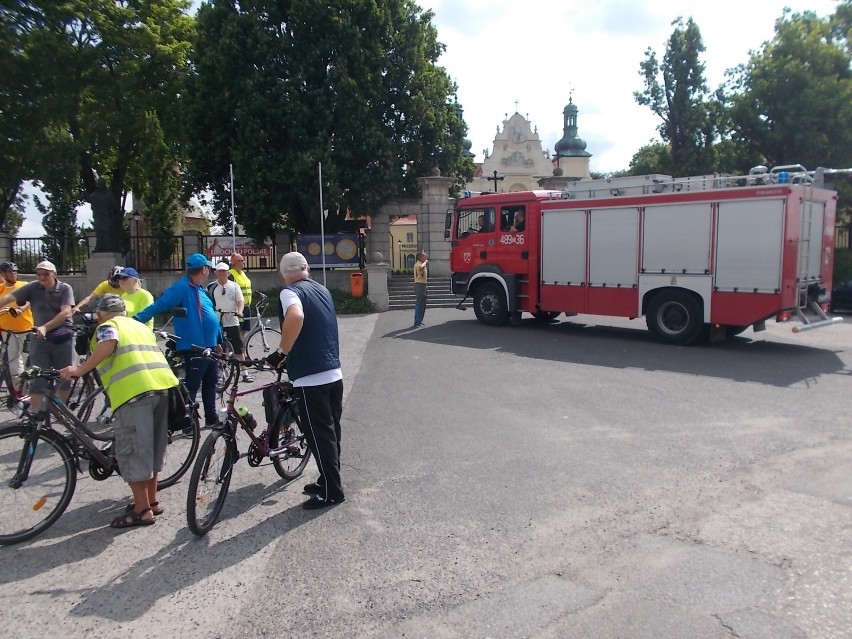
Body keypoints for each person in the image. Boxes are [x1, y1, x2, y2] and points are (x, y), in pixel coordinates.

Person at [59, 294, 178, 528]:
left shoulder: (108, 327)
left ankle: (142, 511)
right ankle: (152, 501)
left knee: (133, 450)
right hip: (162, 388)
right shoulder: (138, 326)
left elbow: (108, 343)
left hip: (134, 394)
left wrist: (79, 370)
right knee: (152, 448)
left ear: (101, 314)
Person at [266, 252, 344, 510]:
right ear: (306, 268)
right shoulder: (322, 290)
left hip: (311, 376)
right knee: (331, 432)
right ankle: (327, 480)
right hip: (333, 371)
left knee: (319, 436)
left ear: (283, 273)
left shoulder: (290, 292)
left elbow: (296, 317)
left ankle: (332, 492)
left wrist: (281, 353)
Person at [134, 253, 222, 428]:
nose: (209, 271)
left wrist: (219, 340)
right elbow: (159, 305)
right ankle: (188, 422)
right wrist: (135, 321)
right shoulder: (181, 288)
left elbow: (211, 317)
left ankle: (211, 417)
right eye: (208, 268)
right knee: (192, 385)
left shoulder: (200, 289)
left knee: (211, 382)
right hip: (195, 346)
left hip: (210, 345)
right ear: (203, 269)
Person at [0, 260, 74, 410]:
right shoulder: (33, 287)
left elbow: (66, 312)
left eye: (46, 274)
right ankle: (36, 417)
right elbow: (8, 299)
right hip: (40, 337)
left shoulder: (65, 288)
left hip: (62, 336)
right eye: (39, 274)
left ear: (54, 274)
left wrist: (46, 327)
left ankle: (61, 412)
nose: (42, 277)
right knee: (36, 377)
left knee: (64, 376)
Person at [207, 261, 253, 383]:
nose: (222, 273)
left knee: (238, 347)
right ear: (216, 272)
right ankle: (221, 374)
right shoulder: (211, 287)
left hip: (232, 319)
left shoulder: (234, 286)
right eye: (219, 271)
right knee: (220, 348)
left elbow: (240, 301)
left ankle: (245, 373)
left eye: (224, 271)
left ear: (228, 272)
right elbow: (207, 303)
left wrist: (240, 311)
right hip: (217, 320)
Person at [0, 262, 34, 379]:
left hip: (26, 328)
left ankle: (31, 386)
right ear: (3, 274)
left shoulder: (24, 285)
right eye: (10, 271)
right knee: (14, 361)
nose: (13, 273)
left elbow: (31, 300)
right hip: (7, 330)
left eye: (15, 271)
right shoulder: (1, 289)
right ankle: (18, 390)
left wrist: (21, 309)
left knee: (28, 359)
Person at [87, 177, 122, 253]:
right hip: (103, 218)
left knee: (104, 234)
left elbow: (88, 198)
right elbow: (115, 207)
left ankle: (105, 247)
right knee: (102, 234)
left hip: (103, 219)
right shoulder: (107, 195)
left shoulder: (96, 195)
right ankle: (102, 247)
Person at [228, 253, 253, 343]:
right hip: (238, 307)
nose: (243, 262)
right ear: (234, 262)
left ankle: (242, 347)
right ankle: (238, 349)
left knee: (244, 329)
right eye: (240, 260)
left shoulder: (243, 274)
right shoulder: (230, 274)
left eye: (243, 260)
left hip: (247, 306)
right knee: (238, 328)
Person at [413, 250, 428, 327]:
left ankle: (420, 320)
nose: (426, 257)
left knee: (423, 304)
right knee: (420, 303)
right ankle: (417, 321)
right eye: (424, 256)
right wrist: (425, 262)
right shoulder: (419, 264)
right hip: (420, 285)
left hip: (423, 285)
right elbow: (421, 268)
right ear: (420, 257)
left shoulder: (421, 263)